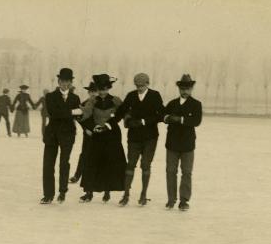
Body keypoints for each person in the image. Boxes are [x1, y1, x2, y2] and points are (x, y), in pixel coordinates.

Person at [114, 73, 165, 206]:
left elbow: (161, 115)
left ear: (148, 83)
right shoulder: (131, 96)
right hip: (134, 138)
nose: (140, 88)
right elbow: (120, 111)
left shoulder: (155, 95)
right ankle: (126, 195)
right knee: (130, 164)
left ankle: (143, 194)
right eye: (137, 86)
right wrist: (109, 123)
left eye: (142, 85)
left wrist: (143, 121)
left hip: (150, 137)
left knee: (145, 165)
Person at [78, 74, 127, 203]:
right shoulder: (93, 101)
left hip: (112, 135)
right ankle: (89, 192)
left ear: (109, 88)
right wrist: (81, 116)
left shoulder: (116, 100)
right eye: (100, 89)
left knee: (110, 162)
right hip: (97, 134)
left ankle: (107, 191)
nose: (102, 92)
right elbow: (86, 113)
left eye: (105, 88)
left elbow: (125, 113)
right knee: (92, 161)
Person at [40, 68, 83, 204]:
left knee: (64, 163)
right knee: (48, 165)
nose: (65, 84)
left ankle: (62, 192)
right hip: (52, 134)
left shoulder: (75, 98)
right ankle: (48, 195)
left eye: (68, 82)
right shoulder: (50, 96)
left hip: (68, 135)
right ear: (58, 81)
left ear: (71, 83)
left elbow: (79, 115)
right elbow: (54, 113)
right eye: (63, 81)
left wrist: (75, 113)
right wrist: (72, 112)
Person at [163, 74, 203, 211]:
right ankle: (171, 199)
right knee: (170, 171)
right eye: (182, 88)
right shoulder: (172, 103)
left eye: (188, 88)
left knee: (186, 172)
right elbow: (163, 115)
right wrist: (167, 118)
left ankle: (184, 200)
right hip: (172, 144)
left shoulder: (196, 105)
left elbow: (196, 121)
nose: (185, 91)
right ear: (179, 89)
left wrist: (180, 119)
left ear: (192, 89)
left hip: (187, 145)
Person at [69, 82, 97, 184]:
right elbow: (79, 118)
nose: (93, 94)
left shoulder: (103, 103)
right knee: (85, 154)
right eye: (91, 92)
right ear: (89, 92)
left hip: (102, 134)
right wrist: (86, 129)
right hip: (89, 134)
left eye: (95, 92)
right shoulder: (84, 104)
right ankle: (77, 175)